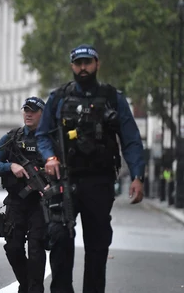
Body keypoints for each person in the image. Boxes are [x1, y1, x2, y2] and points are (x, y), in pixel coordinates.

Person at [36, 44, 146, 293]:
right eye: (78, 63)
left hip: (99, 181)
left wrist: (137, 176)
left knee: (97, 248)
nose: (82, 68)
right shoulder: (58, 97)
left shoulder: (112, 97)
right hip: (65, 180)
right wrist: (50, 157)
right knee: (60, 239)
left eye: (87, 63)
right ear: (72, 66)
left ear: (97, 64)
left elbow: (131, 139)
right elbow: (42, 135)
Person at [0, 97, 47, 293]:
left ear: (42, 113)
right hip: (16, 202)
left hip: (41, 203)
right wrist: (10, 166)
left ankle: (34, 289)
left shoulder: (49, 139)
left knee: (36, 249)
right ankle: (26, 282)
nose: (28, 114)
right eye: (26, 110)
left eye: (33, 110)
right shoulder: (12, 138)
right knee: (13, 247)